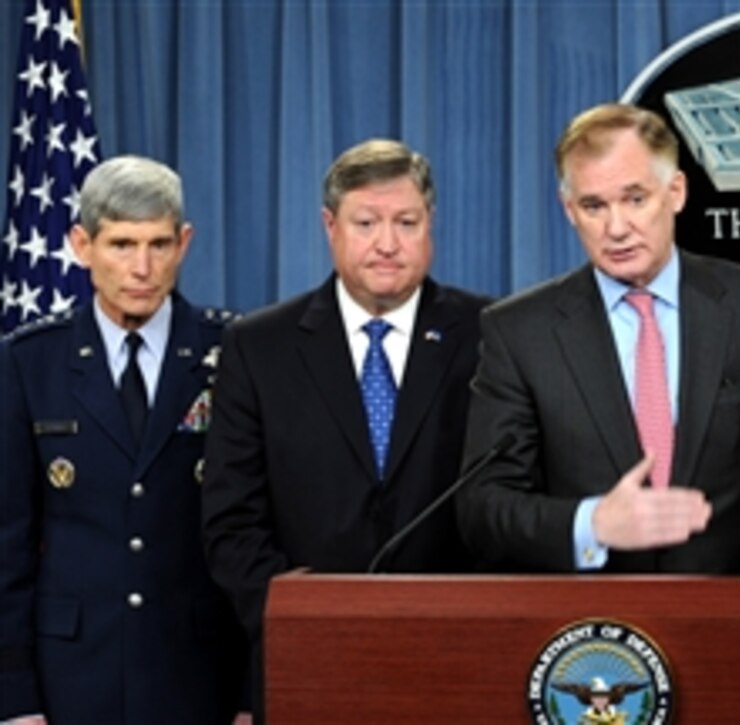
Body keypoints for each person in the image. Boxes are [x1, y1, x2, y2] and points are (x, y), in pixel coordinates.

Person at [455, 103, 740, 574]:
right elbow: (483, 508)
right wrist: (590, 523)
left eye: (635, 199)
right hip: (590, 633)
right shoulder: (519, 333)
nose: (616, 228)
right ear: (568, 210)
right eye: (594, 206)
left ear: (675, 192)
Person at [201, 139, 489, 713]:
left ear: (430, 224)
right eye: (366, 222)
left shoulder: (491, 335)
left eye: (406, 222)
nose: (387, 244)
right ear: (330, 225)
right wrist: (301, 614)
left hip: (458, 654)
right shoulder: (259, 346)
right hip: (305, 658)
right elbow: (231, 520)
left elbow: (510, 497)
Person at [0, 156, 248, 724]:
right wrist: (14, 699)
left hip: (199, 675)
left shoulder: (234, 353)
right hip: (70, 678)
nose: (143, 267)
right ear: (81, 245)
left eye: (159, 244)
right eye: (121, 245)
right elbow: (8, 544)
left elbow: (256, 531)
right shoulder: (29, 361)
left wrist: (250, 693)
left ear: (184, 243)